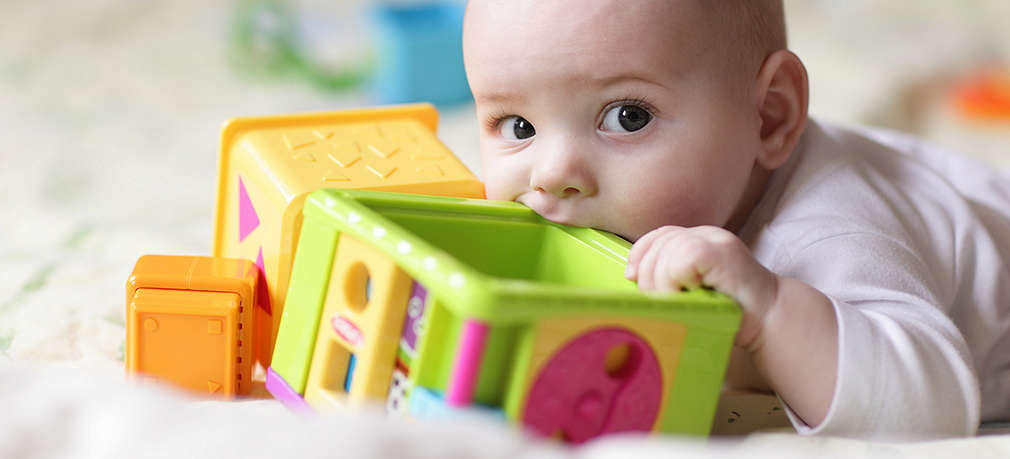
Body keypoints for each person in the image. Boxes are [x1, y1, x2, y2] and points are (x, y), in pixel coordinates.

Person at [462, 0, 1010, 437]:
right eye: (517, 127)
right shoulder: (615, 209)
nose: (552, 175)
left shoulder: (828, 233)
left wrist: (769, 310)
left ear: (769, 115)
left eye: (627, 117)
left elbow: (930, 407)